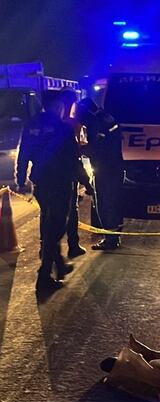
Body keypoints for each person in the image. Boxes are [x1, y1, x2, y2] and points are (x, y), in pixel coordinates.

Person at [14, 91, 84, 291]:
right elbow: (73, 160)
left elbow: (23, 153)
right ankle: (44, 276)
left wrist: (21, 179)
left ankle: (59, 265)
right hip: (60, 183)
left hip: (41, 183)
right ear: (56, 105)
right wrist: (85, 182)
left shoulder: (32, 124)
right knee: (57, 227)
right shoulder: (62, 128)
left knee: (49, 223)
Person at [76, 98, 124, 250]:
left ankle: (111, 239)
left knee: (104, 204)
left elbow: (98, 149)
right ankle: (114, 235)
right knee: (113, 203)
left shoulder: (96, 124)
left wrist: (79, 149)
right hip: (114, 167)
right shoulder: (106, 118)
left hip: (105, 169)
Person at [60, 88, 92, 258]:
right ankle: (72, 245)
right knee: (71, 210)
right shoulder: (71, 123)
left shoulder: (49, 120)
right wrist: (87, 183)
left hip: (48, 176)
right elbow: (76, 153)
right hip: (68, 173)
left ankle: (47, 247)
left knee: (48, 213)